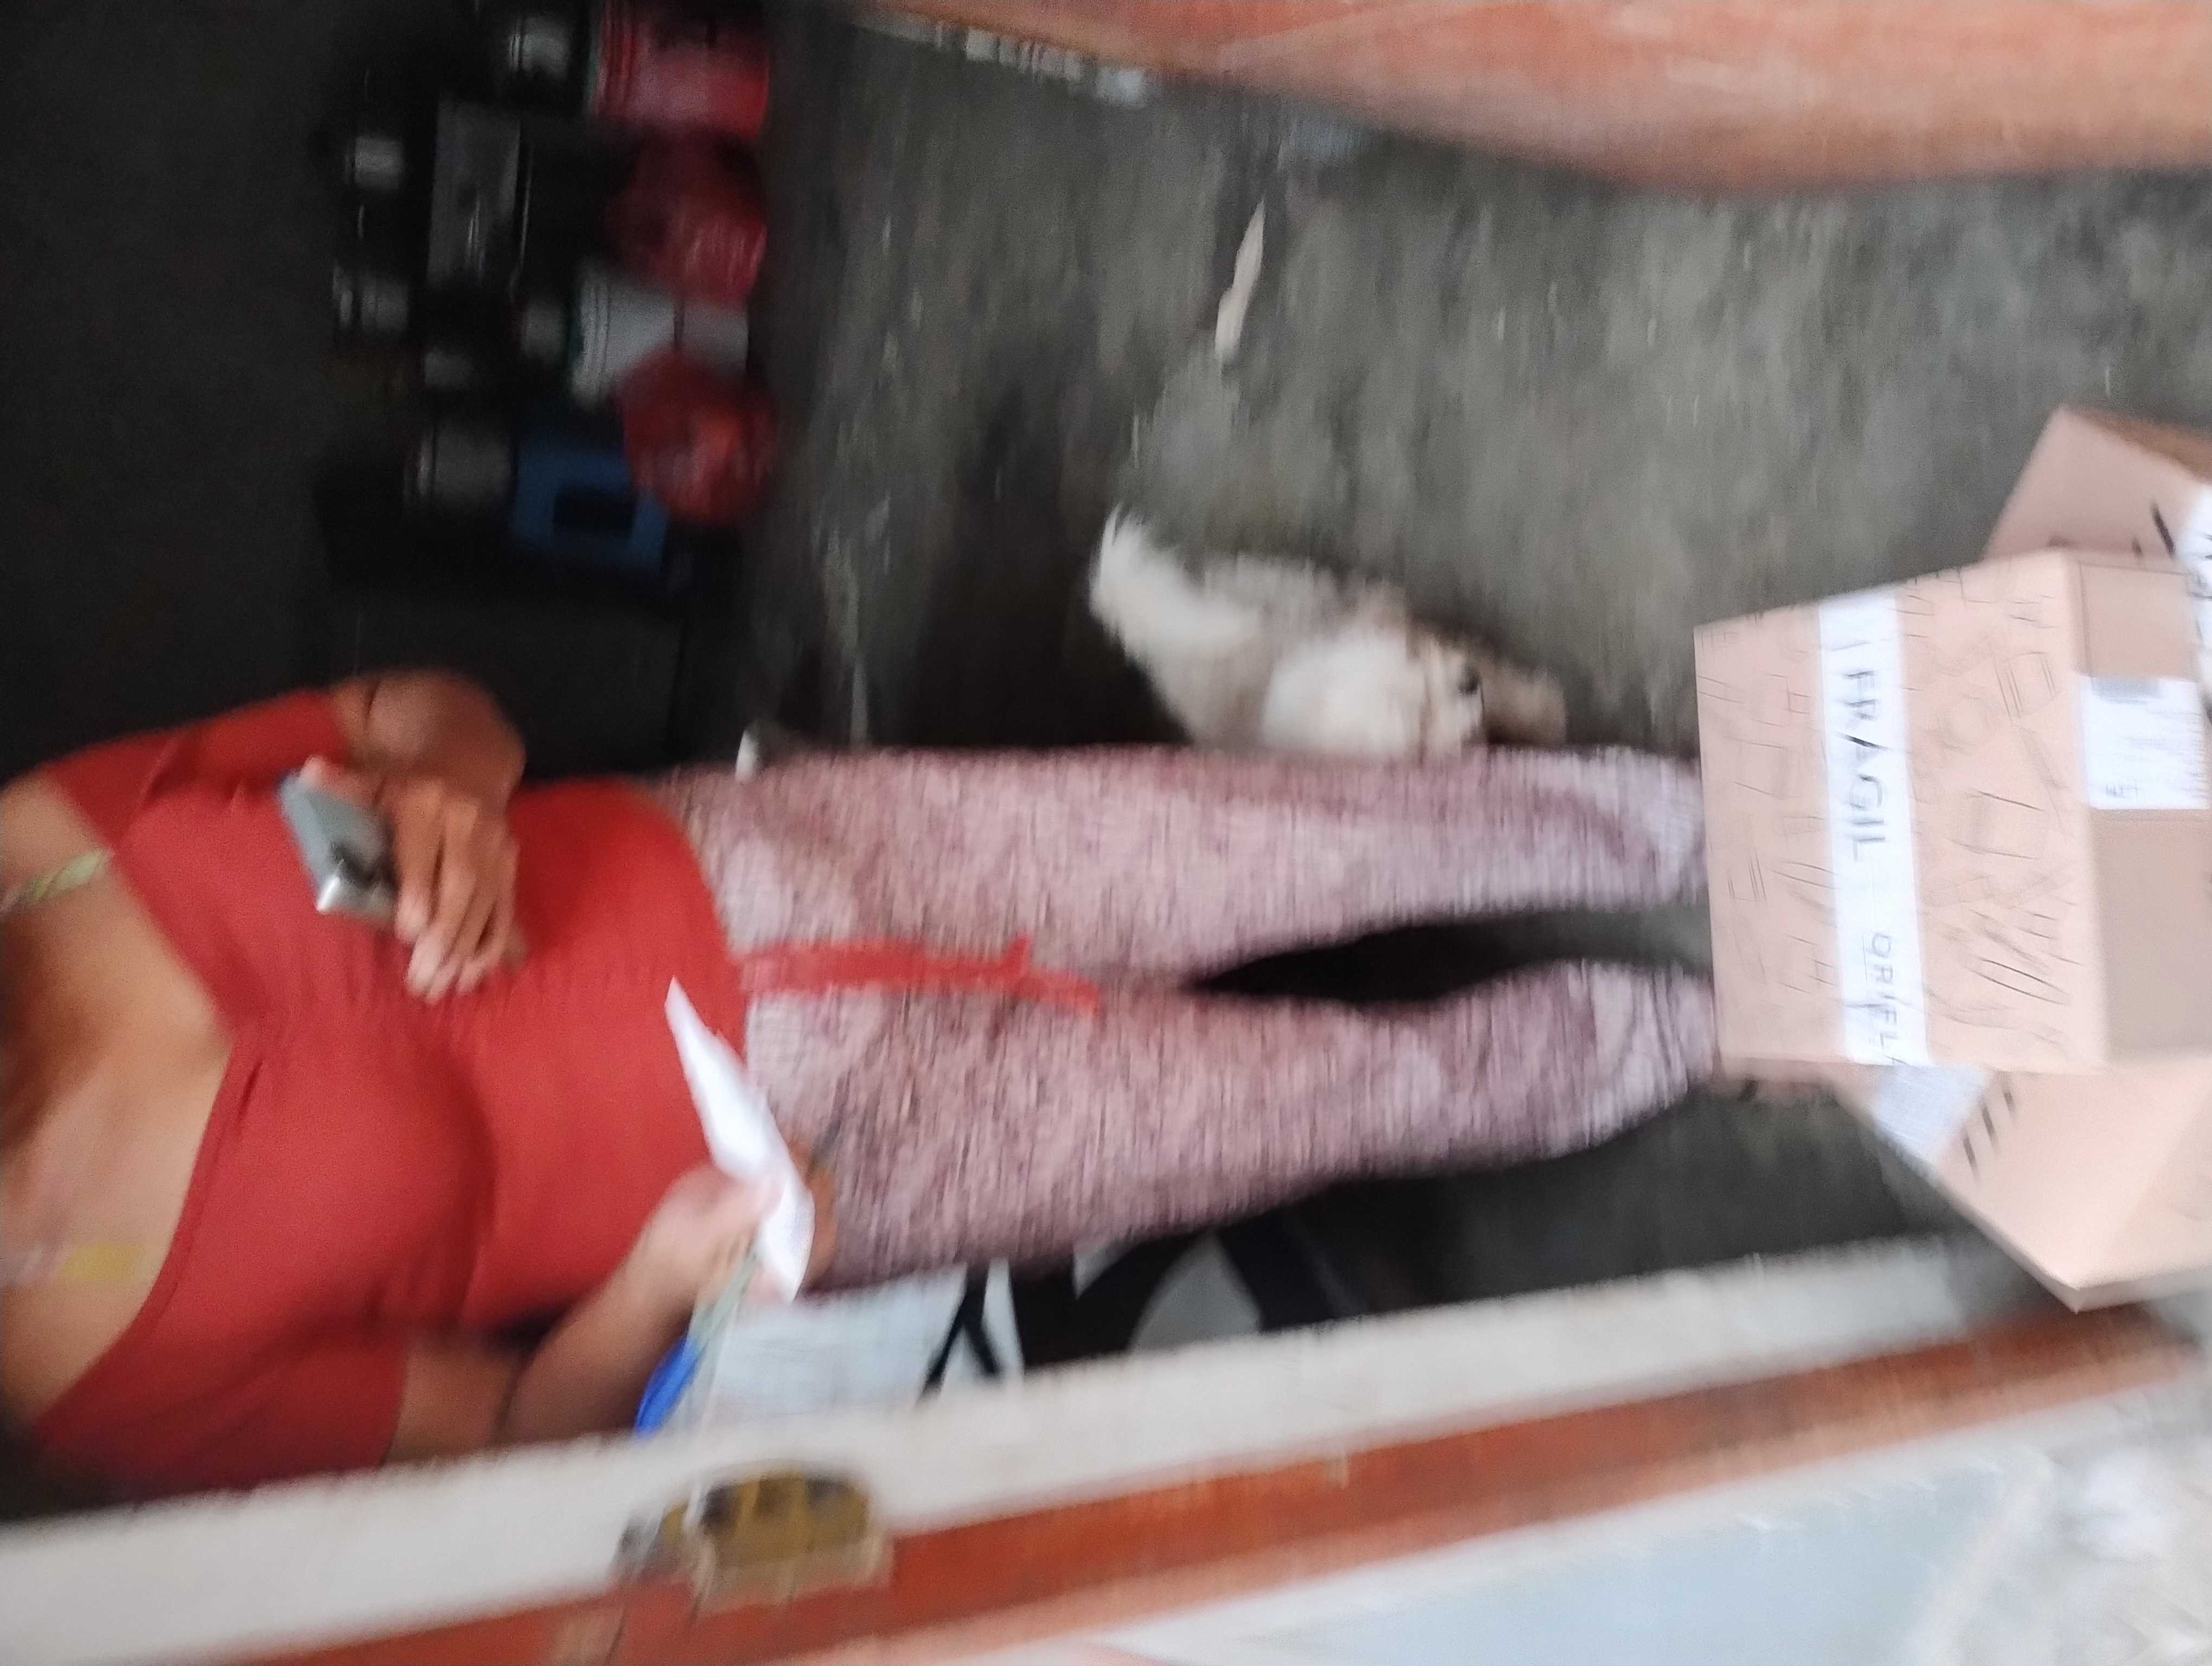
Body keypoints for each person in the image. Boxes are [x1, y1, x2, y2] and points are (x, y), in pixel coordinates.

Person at [0, 674, 1715, 1497]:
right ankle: (1714, 1037)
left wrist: (445, 789)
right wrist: (669, 1276)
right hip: (842, 1165)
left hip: (802, 855)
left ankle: (1737, 823)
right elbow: (516, 1433)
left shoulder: (39, 850)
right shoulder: (91, 1370)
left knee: (1309, 841)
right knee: (1353, 1098)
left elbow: (419, 712)